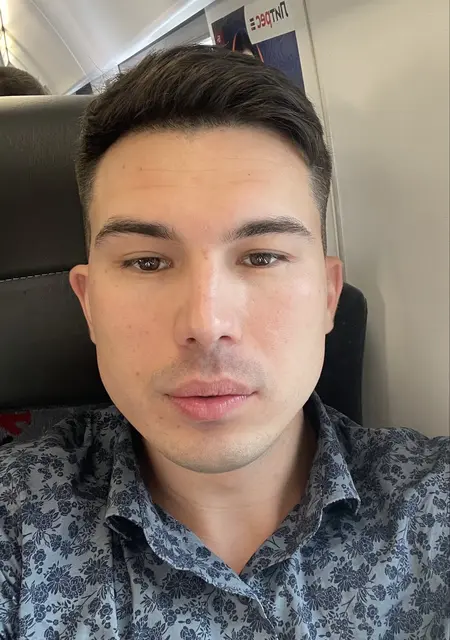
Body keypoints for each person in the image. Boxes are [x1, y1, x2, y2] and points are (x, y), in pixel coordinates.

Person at [0, 46, 448, 639]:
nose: (207, 323)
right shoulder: (16, 521)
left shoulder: (434, 512)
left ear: (328, 296)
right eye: (147, 261)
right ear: (88, 304)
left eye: (262, 257)